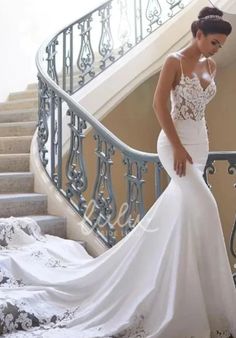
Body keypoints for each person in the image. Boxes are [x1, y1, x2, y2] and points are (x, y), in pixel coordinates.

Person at [0, 5, 235, 338]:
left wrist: (196, 147)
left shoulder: (211, 65)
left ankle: (185, 292)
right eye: (213, 42)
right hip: (174, 146)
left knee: (185, 217)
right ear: (198, 35)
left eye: (221, 46)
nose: (216, 50)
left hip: (200, 146)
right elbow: (158, 106)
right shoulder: (173, 62)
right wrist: (179, 147)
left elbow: (200, 109)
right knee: (208, 208)